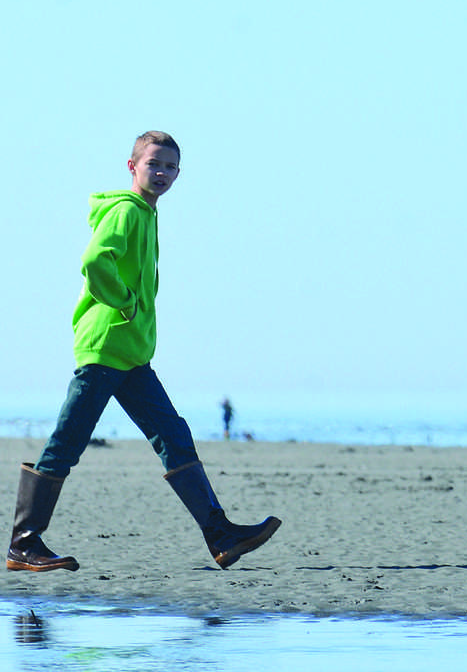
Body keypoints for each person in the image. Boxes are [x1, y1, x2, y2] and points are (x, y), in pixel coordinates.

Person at [6, 131, 281, 572]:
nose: (162, 173)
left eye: (171, 167)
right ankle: (23, 543)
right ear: (131, 166)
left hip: (131, 355)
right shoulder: (127, 211)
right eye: (154, 163)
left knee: (173, 436)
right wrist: (125, 301)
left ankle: (220, 534)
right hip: (105, 348)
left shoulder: (148, 213)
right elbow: (95, 261)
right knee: (67, 443)